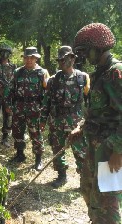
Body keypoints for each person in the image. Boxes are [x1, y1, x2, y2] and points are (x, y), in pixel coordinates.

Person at [71, 23, 122, 223]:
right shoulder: (98, 74)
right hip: (94, 146)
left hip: (110, 150)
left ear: (98, 48)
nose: (83, 57)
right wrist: (80, 127)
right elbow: (96, 112)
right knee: (88, 189)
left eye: (85, 51)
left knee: (108, 203)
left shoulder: (115, 73)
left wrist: (118, 150)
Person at [40, 46, 90, 188]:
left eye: (65, 59)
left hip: (76, 123)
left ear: (73, 58)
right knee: (57, 149)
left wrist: (88, 121)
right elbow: (46, 102)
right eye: (60, 60)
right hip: (57, 121)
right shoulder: (53, 80)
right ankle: (61, 176)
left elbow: (90, 102)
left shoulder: (83, 78)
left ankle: (84, 180)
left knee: (81, 152)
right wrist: (42, 120)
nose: (62, 62)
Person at [4, 47, 49, 171]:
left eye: (32, 58)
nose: (29, 60)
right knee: (17, 131)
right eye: (26, 57)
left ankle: (38, 159)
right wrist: (8, 104)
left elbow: (47, 93)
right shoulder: (18, 72)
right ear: (23, 58)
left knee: (35, 133)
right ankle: (20, 154)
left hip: (35, 108)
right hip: (19, 107)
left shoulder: (42, 73)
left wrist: (44, 110)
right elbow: (10, 89)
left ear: (36, 59)